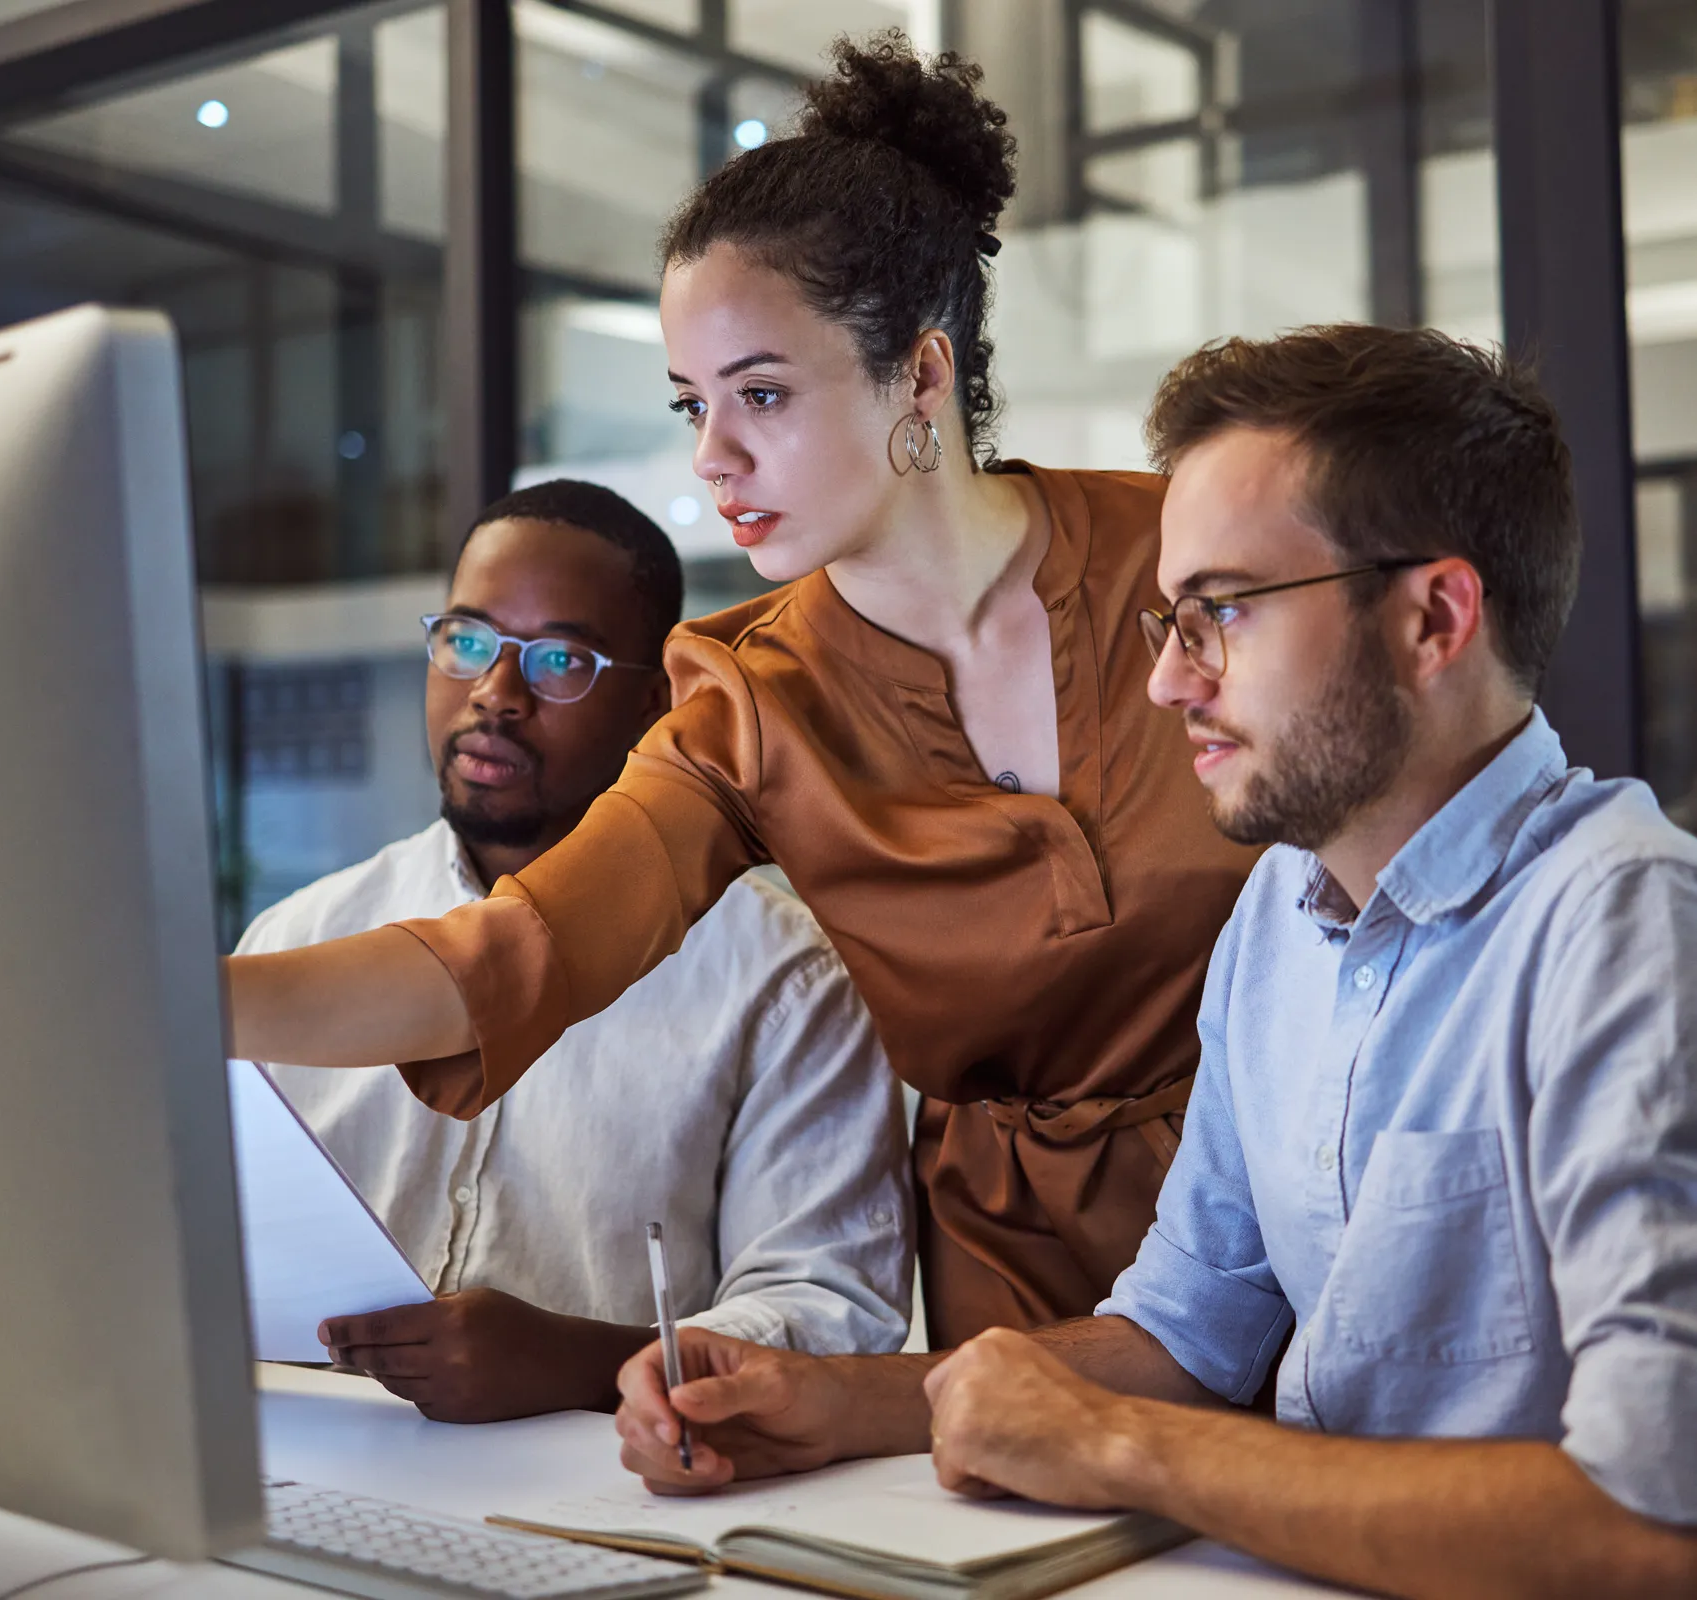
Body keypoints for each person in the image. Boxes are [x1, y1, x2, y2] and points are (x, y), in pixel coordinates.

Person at [617, 327, 1697, 1596]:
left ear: (1432, 617)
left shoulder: (1626, 926)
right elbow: (1182, 1332)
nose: (1168, 680)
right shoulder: (1281, 915)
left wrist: (1122, 1446)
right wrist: (838, 1404)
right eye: (1167, 619)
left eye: (1221, 613)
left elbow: (1654, 1523)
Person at [226, 36, 1257, 1358]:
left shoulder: (1187, 558)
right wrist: (184, 999)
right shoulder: (747, 698)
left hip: (1301, 1213)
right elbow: (506, 957)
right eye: (690, 405)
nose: (712, 459)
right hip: (1018, 1300)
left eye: (760, 394)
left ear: (922, 377)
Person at [243, 479, 914, 1422]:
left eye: (560, 659)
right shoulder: (303, 936)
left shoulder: (784, 978)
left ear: (655, 703)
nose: (495, 693)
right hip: (306, 1457)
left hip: (616, 1487)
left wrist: (583, 1363)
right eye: (467, 640)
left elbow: (835, 1311)